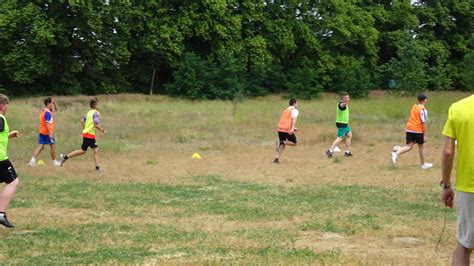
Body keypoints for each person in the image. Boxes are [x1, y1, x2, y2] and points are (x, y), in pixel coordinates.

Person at [440, 95, 474, 265]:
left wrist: (446, 185)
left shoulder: (458, 108)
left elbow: (448, 151)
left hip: (469, 187)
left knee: (465, 245)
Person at [59, 97, 106, 172]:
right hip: (90, 135)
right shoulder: (96, 113)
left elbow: (81, 120)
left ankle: (65, 157)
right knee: (96, 150)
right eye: (98, 104)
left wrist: (85, 128)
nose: (98, 105)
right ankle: (97, 168)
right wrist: (103, 130)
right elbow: (96, 124)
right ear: (95, 105)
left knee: (83, 151)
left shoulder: (89, 112)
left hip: (86, 134)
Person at [390, 94, 433, 169]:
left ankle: (396, 153)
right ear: (424, 100)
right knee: (421, 147)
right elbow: (424, 122)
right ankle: (423, 164)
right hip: (417, 130)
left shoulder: (414, 106)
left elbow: (410, 115)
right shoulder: (423, 110)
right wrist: (425, 135)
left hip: (409, 128)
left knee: (409, 146)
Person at [0, 94, 20, 228]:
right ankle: (1, 214)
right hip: (0, 158)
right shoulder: (1, 118)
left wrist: (9, 135)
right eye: (6, 105)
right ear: (2, 106)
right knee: (13, 181)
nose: (7, 108)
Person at [28, 97, 60, 166]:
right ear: (48, 103)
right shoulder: (48, 113)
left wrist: (54, 102)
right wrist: (50, 133)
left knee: (41, 146)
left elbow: (57, 109)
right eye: (51, 103)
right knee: (52, 146)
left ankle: (32, 161)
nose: (52, 104)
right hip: (47, 133)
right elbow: (47, 123)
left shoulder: (45, 110)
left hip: (42, 131)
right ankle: (55, 162)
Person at [326, 92, 353, 158]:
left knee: (349, 135)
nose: (349, 99)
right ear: (343, 98)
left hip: (345, 124)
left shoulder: (344, 104)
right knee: (340, 138)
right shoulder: (341, 104)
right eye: (347, 98)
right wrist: (344, 104)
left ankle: (347, 152)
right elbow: (341, 106)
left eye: (348, 97)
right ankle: (330, 150)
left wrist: (345, 103)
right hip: (342, 124)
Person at [273, 98, 299, 164]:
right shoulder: (295, 110)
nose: (297, 104)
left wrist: (293, 128)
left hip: (280, 129)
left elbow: (285, 121)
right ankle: (281, 141)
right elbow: (294, 119)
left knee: (283, 145)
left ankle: (277, 158)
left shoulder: (285, 110)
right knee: (294, 142)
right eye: (297, 103)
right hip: (286, 130)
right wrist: (292, 128)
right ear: (294, 103)